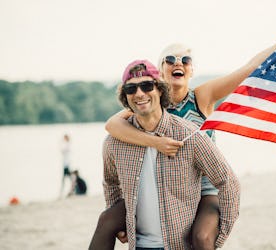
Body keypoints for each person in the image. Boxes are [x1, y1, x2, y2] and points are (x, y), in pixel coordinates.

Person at [101, 19, 276, 249]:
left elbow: (248, 68)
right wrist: (156, 142)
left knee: (201, 238)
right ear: (160, 72)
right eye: (169, 59)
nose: (177, 63)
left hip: (205, 187)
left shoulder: (202, 97)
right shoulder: (149, 102)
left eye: (185, 60)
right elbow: (112, 125)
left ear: (192, 70)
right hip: (173, 188)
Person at [89, 60, 240, 250]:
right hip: (139, 246)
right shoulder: (114, 143)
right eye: (131, 89)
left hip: (179, 245)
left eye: (146, 86)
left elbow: (228, 182)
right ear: (125, 96)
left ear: (160, 89)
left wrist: (218, 238)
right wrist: (121, 223)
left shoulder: (189, 135)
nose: (139, 94)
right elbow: (111, 183)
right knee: (105, 219)